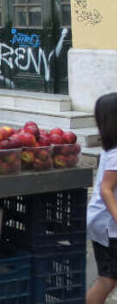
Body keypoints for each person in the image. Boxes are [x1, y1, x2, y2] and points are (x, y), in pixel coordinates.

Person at [88, 93, 117, 304]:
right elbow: (107, 189)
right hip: (109, 225)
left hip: (102, 221)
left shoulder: (111, 149)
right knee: (107, 279)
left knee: (109, 278)